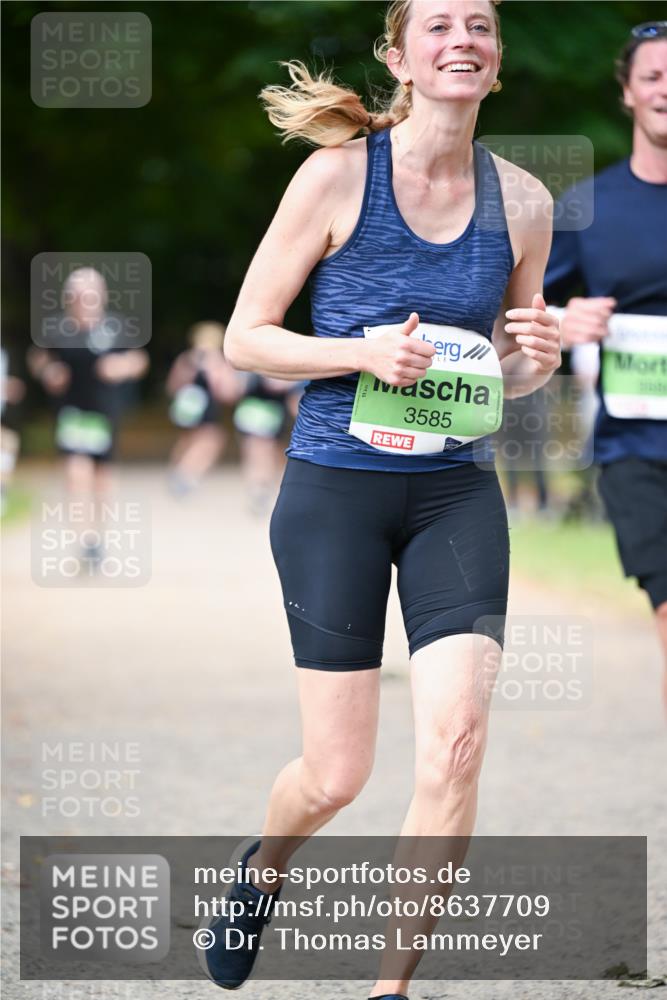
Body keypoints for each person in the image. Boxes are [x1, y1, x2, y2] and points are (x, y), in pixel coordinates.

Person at [202, 1, 560, 996]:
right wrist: (361, 351)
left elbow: (506, 375)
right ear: (399, 56)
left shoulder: (524, 202)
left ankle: (389, 986)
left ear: (494, 63)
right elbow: (245, 338)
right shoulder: (333, 178)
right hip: (336, 491)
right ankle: (262, 867)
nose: (463, 39)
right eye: (438, 25)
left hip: (455, 493)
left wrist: (534, 362)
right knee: (335, 775)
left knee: (454, 743)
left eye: (480, 26)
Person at [544, 21, 667, 708]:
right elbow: (520, 313)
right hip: (636, 446)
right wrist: (565, 322)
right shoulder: (585, 208)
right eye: (651, 75)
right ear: (626, 91)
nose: (664, 89)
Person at [27, 267, 149, 561]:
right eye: (79, 296)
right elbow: (38, 357)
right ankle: (85, 539)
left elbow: (139, 358)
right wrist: (48, 372)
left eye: (91, 295)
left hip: (104, 416)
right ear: (69, 299)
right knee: (76, 472)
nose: (85, 301)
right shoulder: (58, 329)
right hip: (72, 415)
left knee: (102, 479)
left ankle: (98, 536)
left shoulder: (114, 327)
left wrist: (122, 367)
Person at [166, 321, 240, 496]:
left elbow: (173, 386)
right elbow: (227, 391)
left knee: (187, 440)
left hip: (186, 408)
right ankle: (186, 474)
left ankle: (177, 471)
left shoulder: (186, 358)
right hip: (206, 408)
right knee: (212, 441)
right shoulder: (217, 361)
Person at [232, 373, 302, 514]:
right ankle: (259, 490)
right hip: (256, 411)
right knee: (258, 451)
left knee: (271, 454)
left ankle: (263, 490)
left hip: (273, 413)